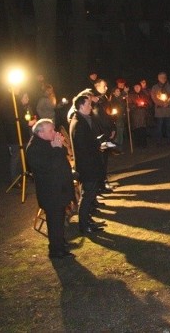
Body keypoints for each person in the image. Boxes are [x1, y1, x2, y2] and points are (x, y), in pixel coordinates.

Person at [26, 119, 75, 259]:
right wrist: (57, 149)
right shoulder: (34, 148)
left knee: (59, 220)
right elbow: (50, 166)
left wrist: (60, 146)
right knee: (54, 222)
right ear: (40, 133)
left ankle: (60, 243)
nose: (54, 132)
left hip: (58, 190)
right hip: (51, 193)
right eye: (51, 131)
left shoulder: (47, 141)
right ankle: (56, 250)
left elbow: (62, 154)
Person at [69, 94, 106, 234]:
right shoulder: (78, 123)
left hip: (89, 165)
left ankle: (88, 221)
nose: (91, 107)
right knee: (87, 196)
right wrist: (97, 144)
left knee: (89, 195)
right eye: (88, 104)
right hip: (87, 166)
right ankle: (84, 226)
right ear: (81, 106)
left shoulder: (82, 120)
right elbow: (83, 146)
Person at [150, 72, 170, 144]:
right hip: (159, 110)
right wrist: (162, 103)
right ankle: (158, 141)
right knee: (159, 127)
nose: (163, 78)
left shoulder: (169, 86)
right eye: (161, 77)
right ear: (158, 78)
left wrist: (168, 103)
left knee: (169, 126)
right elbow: (154, 97)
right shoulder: (155, 87)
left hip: (168, 110)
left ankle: (169, 140)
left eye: (164, 77)